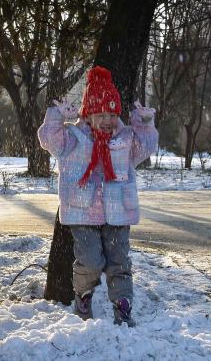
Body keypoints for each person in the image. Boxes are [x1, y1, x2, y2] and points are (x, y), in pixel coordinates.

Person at [37, 65, 158, 326]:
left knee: (119, 263)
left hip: (118, 213)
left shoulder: (125, 139)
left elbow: (146, 147)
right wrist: (56, 117)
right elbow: (49, 140)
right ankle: (83, 296)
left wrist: (144, 124)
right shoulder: (73, 138)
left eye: (112, 114)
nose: (107, 120)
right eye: (101, 114)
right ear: (89, 114)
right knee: (90, 261)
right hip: (82, 213)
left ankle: (122, 307)